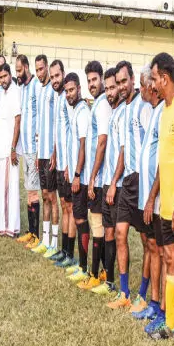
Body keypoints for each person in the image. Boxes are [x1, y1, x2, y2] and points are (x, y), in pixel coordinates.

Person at [147, 53, 174, 342]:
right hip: (165, 204)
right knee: (169, 258)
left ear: (165, 78)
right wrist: (154, 197)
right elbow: (165, 160)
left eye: (154, 79)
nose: (152, 86)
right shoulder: (164, 111)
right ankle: (171, 324)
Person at [108, 60, 153, 310]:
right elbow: (124, 150)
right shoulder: (123, 110)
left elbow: (150, 145)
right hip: (126, 181)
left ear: (133, 80)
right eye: (119, 83)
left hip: (142, 180)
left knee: (148, 242)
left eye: (125, 81)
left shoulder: (143, 106)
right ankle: (124, 292)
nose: (122, 86)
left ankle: (144, 295)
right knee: (120, 234)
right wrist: (115, 182)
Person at [75, 62, 111, 289]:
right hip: (95, 177)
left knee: (97, 224)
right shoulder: (96, 105)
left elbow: (102, 142)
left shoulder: (102, 106)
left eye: (94, 80)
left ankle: (95, 274)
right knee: (98, 224)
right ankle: (103, 272)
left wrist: (92, 176)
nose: (92, 84)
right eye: (89, 81)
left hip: (99, 179)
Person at [133, 71, 165, 325]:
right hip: (147, 194)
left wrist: (152, 196)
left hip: (157, 197)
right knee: (152, 247)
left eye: (144, 84)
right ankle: (154, 301)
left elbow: (164, 160)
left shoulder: (164, 110)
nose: (141, 89)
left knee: (161, 251)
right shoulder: (152, 109)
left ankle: (161, 306)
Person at [92, 65, 125, 295]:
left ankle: (115, 284)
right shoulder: (112, 111)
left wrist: (113, 182)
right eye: (109, 88)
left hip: (118, 184)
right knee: (109, 231)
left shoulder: (123, 112)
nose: (110, 92)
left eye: (114, 87)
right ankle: (108, 278)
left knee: (116, 233)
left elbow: (123, 151)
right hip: (107, 181)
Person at [64, 72, 92, 284]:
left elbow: (83, 145)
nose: (69, 94)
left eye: (71, 90)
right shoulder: (75, 110)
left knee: (81, 219)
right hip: (75, 173)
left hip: (80, 178)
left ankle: (84, 267)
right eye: (66, 91)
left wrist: (76, 174)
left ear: (79, 89)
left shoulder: (82, 111)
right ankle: (81, 265)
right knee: (78, 217)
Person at [32, 54, 60, 256]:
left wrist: (54, 151)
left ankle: (55, 243)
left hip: (51, 153)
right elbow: (40, 124)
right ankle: (45, 239)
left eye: (42, 69)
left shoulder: (55, 91)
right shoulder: (39, 90)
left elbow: (57, 124)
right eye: (37, 70)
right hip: (41, 153)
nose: (39, 73)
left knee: (52, 196)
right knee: (44, 196)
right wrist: (37, 151)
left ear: (47, 68)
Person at [46, 60, 74, 266]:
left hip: (69, 165)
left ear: (63, 74)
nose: (55, 80)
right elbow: (59, 131)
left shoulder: (68, 98)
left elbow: (73, 134)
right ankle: (64, 251)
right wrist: (55, 153)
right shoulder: (56, 98)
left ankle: (70, 255)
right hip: (60, 159)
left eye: (57, 76)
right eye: (52, 76)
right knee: (65, 206)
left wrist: (68, 164)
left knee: (71, 209)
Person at [14, 55, 42, 249]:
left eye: (18, 70)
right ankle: (30, 232)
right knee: (28, 190)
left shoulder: (36, 87)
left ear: (26, 67)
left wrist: (39, 148)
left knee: (33, 192)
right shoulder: (22, 87)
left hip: (34, 148)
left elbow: (40, 116)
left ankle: (36, 235)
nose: (17, 74)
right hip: (25, 149)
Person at [0, 63, 21, 237]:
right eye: (0, 77)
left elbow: (17, 120)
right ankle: (3, 224)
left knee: (10, 189)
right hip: (1, 149)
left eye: (4, 76)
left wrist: (12, 148)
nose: (2, 80)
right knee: (2, 189)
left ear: (10, 75)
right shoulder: (2, 93)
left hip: (9, 150)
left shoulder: (15, 91)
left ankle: (10, 226)